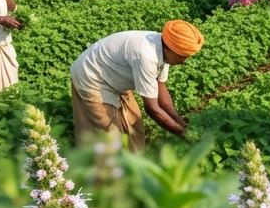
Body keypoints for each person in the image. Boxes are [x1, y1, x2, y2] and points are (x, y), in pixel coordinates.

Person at [70, 21, 204, 151]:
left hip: (112, 74)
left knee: (133, 125)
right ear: (171, 49)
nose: (184, 61)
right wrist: (182, 133)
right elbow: (152, 109)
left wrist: (182, 124)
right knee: (110, 134)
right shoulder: (146, 56)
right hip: (92, 77)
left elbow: (162, 94)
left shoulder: (164, 48)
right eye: (183, 56)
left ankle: (133, 161)